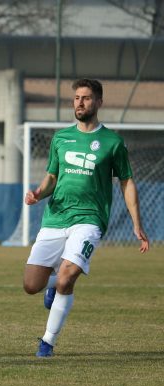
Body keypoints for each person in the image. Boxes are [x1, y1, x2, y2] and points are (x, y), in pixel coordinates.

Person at [22, 78, 150, 358]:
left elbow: (127, 183)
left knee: (68, 278)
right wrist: (38, 194)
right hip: (56, 217)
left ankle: (47, 341)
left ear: (99, 103)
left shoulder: (112, 142)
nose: (80, 102)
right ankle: (52, 286)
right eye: (77, 98)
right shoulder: (61, 138)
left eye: (87, 98)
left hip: (90, 220)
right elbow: (53, 177)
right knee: (31, 285)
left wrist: (136, 223)